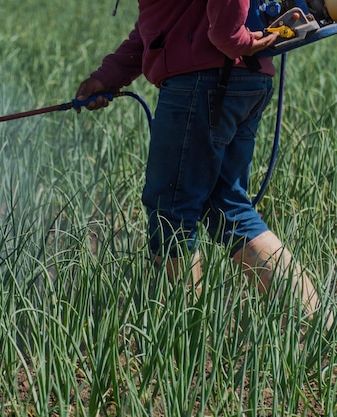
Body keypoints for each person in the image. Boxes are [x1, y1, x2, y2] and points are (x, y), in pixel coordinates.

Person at [75, 0, 328, 324]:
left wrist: (235, 39)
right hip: (238, 79)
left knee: (171, 211)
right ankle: (318, 325)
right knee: (229, 208)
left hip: (204, 83)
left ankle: (178, 341)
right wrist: (107, 77)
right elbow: (160, 25)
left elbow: (209, 27)